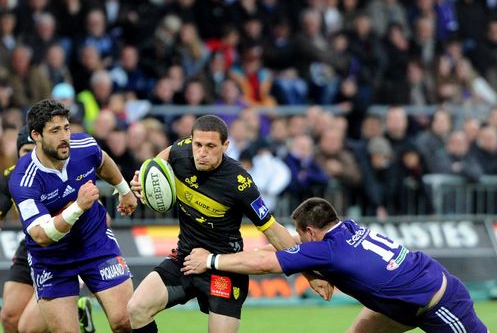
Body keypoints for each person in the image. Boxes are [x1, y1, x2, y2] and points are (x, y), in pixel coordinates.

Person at [127, 115, 331, 333]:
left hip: (224, 267)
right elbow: (162, 159)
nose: (202, 153)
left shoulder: (239, 183)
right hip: (185, 259)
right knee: (136, 308)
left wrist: (309, 275)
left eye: (210, 146)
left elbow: (272, 231)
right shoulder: (181, 151)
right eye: (197, 145)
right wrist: (147, 176)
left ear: (225, 146)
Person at [182, 197, 489, 333]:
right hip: (406, 300)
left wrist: (210, 260)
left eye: (301, 235)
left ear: (312, 232)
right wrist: (313, 273)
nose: (300, 242)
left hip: (441, 302)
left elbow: (264, 262)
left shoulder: (325, 251)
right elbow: (313, 251)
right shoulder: (349, 227)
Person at [8, 99, 138, 333]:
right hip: (52, 258)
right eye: (55, 131)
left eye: (66, 128)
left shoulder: (84, 145)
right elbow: (41, 235)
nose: (64, 136)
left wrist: (125, 191)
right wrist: (78, 206)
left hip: (94, 242)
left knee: (125, 321)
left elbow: (102, 160)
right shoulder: (23, 180)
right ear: (36, 135)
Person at [0, 126, 97, 333]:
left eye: (34, 149)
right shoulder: (12, 178)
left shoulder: (66, 168)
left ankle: (75, 310)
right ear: (17, 154)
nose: (31, 155)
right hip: (32, 246)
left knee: (30, 328)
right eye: (25, 151)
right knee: (9, 317)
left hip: (67, 246)